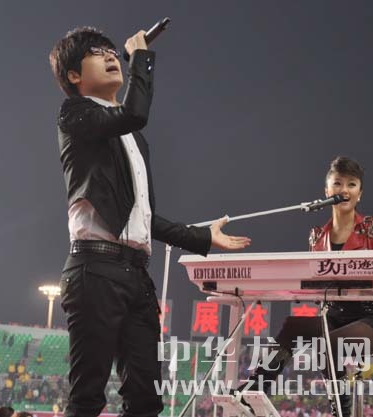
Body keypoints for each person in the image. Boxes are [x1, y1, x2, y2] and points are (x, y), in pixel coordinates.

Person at [49, 27, 250, 417]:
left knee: (145, 399)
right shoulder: (74, 113)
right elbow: (135, 113)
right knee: (87, 397)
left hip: (136, 276)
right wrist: (141, 58)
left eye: (112, 50)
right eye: (96, 52)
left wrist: (201, 237)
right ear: (74, 75)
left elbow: (143, 218)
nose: (110, 56)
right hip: (95, 268)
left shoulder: (133, 138)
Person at [242, 156, 373, 417]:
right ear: (326, 191)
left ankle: (341, 410)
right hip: (333, 317)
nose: (344, 190)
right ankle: (254, 390)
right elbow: (315, 283)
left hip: (372, 319)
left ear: (359, 194)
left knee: (327, 344)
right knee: (292, 326)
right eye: (338, 183)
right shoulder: (317, 236)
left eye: (352, 185)